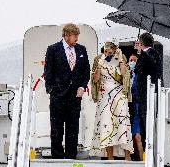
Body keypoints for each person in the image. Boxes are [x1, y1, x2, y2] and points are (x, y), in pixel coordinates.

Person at [44, 23, 90, 159]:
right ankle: (57, 157)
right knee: (57, 127)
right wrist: (51, 89)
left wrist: (82, 87)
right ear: (67, 35)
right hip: (57, 95)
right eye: (75, 36)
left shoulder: (81, 50)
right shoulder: (52, 49)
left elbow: (85, 71)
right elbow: (48, 72)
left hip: (75, 96)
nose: (77, 39)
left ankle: (71, 157)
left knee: (73, 127)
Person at [90, 40, 133, 160]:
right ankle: (109, 157)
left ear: (115, 51)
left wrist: (120, 60)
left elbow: (125, 75)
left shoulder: (121, 58)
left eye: (110, 52)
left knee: (122, 123)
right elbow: (95, 79)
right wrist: (99, 65)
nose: (107, 53)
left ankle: (127, 156)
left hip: (119, 93)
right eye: (105, 51)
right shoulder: (99, 59)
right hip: (104, 95)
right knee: (106, 123)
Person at [134, 32, 162, 149]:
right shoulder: (144, 54)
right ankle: (146, 149)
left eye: (139, 43)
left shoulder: (152, 53)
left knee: (147, 120)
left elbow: (152, 64)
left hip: (147, 94)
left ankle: (148, 147)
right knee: (142, 121)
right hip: (141, 95)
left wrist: (142, 52)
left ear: (142, 43)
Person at [128, 53, 144, 161]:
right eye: (130, 60)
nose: (132, 62)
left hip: (137, 107)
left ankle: (143, 160)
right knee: (130, 136)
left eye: (134, 60)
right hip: (128, 108)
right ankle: (133, 158)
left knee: (137, 135)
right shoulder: (127, 76)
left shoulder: (139, 75)